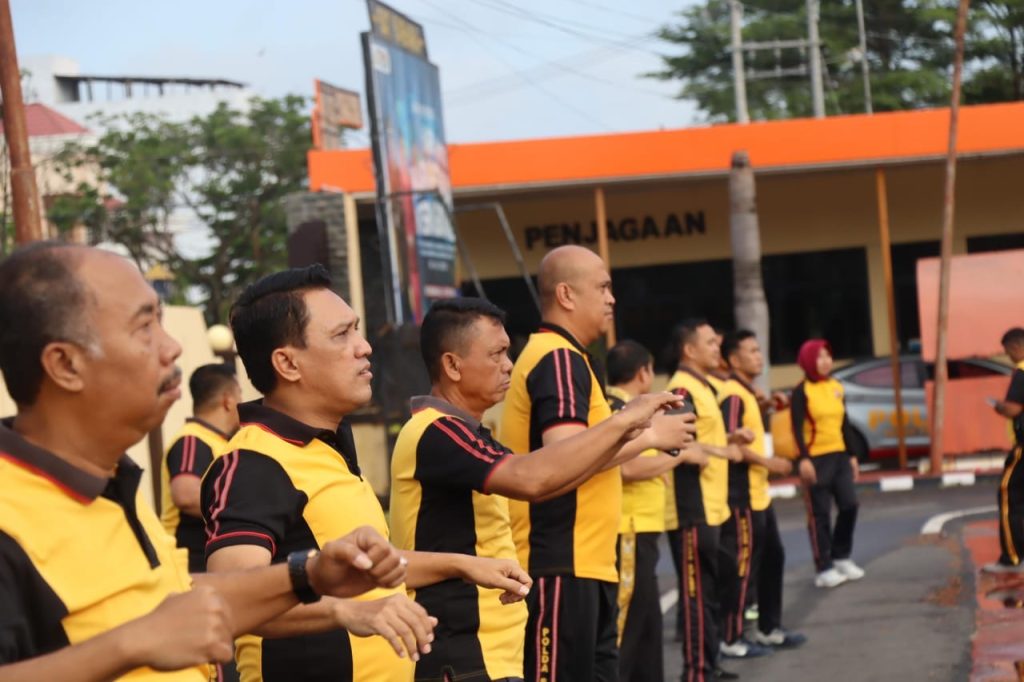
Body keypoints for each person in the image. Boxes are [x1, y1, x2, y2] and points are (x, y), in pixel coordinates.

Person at [0, 242, 421, 681]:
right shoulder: (9, 512)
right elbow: (149, 627)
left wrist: (309, 575)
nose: (173, 348)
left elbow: (177, 597)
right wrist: (132, 643)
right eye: (144, 327)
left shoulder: (111, 481)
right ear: (65, 364)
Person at [201, 266, 531, 682]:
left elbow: (361, 570)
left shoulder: (328, 448)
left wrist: (462, 564)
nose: (365, 348)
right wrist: (347, 610)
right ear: (287, 363)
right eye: (342, 335)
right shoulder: (252, 462)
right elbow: (230, 596)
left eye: (357, 330)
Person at [390, 300, 691, 682]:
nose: (508, 365)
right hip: (460, 649)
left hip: (491, 648)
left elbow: (556, 479)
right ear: (452, 365)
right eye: (497, 354)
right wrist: (627, 423)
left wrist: (629, 433)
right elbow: (533, 478)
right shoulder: (436, 429)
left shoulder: (465, 431)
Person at [500, 245, 693, 681]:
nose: (612, 299)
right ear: (567, 295)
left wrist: (643, 431)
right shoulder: (558, 358)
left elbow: (583, 451)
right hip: (559, 562)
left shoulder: (570, 358)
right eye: (603, 287)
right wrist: (651, 436)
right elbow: (564, 455)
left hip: (586, 562)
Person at [605, 340, 706, 682]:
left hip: (642, 529)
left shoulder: (622, 407)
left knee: (648, 626)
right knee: (625, 629)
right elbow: (626, 469)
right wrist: (678, 458)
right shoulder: (618, 410)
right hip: (628, 528)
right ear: (643, 372)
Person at [665, 319, 746, 681]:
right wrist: (723, 450)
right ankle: (696, 672)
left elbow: (702, 436)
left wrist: (728, 439)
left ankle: (709, 664)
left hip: (712, 505)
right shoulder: (681, 389)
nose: (718, 348)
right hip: (691, 506)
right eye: (710, 343)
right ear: (689, 350)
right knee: (697, 596)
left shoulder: (703, 386)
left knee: (711, 591)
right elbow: (678, 444)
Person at [719, 330, 806, 651]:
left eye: (759, 350)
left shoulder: (747, 392)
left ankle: (769, 628)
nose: (759, 356)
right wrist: (768, 462)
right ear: (733, 359)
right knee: (743, 569)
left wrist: (767, 405)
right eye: (752, 351)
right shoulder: (732, 394)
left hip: (759, 493)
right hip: (741, 494)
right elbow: (729, 440)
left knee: (773, 559)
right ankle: (732, 636)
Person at [791, 339, 865, 589]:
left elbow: (844, 423)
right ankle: (823, 568)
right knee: (819, 515)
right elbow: (796, 429)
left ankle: (841, 556)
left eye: (828, 356)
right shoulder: (801, 391)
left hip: (840, 456)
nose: (825, 361)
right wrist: (803, 459)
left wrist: (853, 456)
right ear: (808, 361)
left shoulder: (837, 386)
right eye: (819, 357)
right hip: (815, 459)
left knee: (850, 505)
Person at [161, 363, 241, 573]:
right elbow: (186, 495)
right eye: (239, 395)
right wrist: (247, 510)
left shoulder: (219, 442)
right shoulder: (192, 439)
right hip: (189, 565)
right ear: (228, 401)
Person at [983, 327, 1024, 573]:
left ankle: (1012, 558)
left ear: (1016, 346)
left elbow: (1013, 409)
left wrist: (998, 407)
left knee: (1007, 494)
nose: (1007, 355)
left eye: (1007, 351)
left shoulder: (1021, 372)